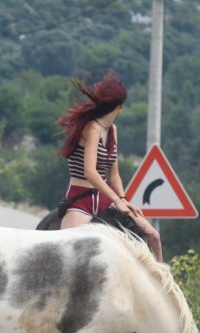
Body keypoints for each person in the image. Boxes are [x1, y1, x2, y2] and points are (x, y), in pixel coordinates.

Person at [57, 71, 162, 261]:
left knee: (153, 236)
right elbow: (90, 172)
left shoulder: (113, 130)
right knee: (70, 256)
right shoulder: (92, 128)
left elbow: (114, 174)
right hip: (81, 200)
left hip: (105, 199)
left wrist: (123, 198)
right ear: (120, 107)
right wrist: (117, 200)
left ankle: (160, 287)